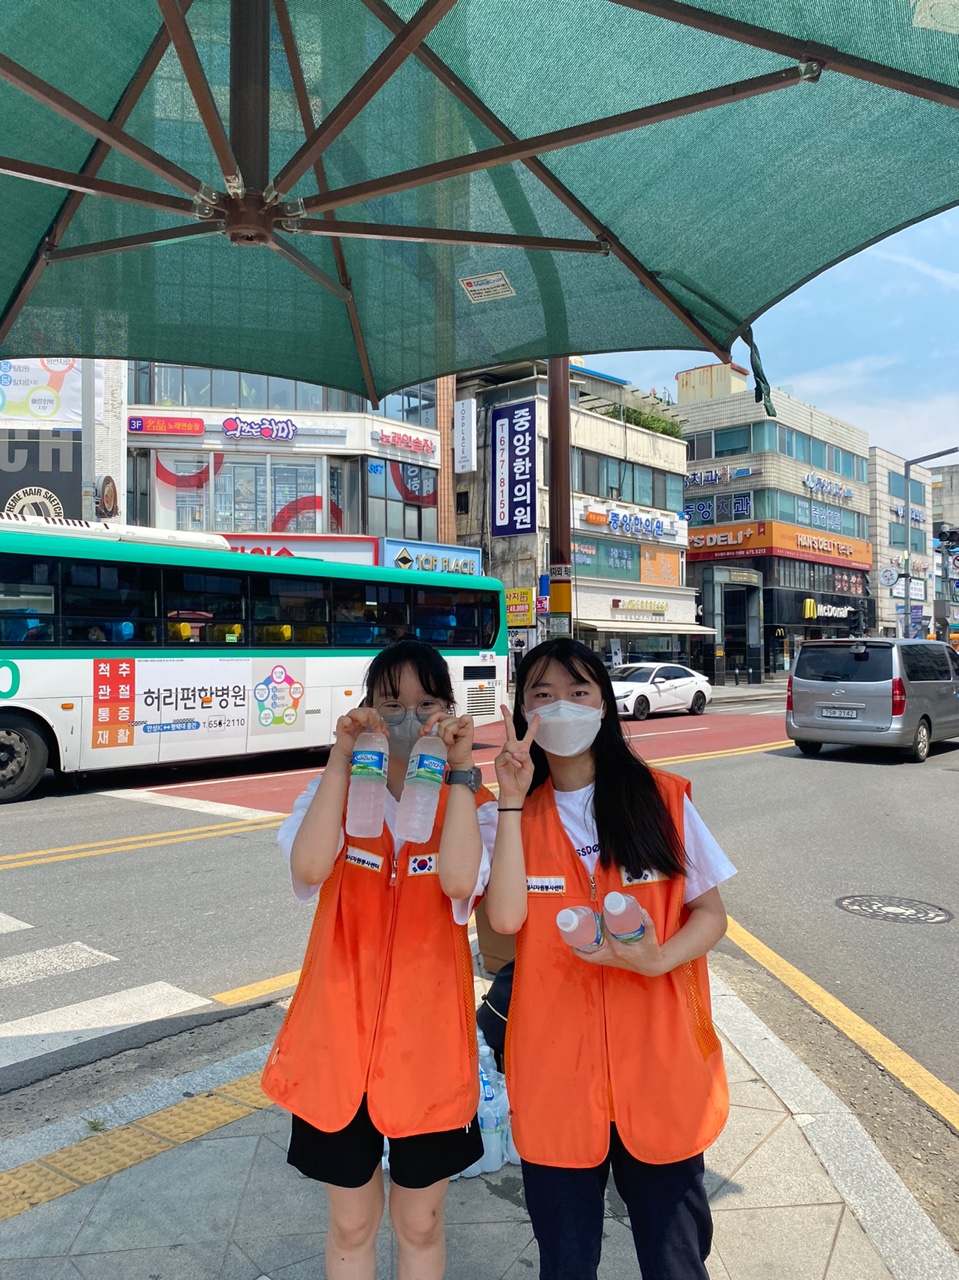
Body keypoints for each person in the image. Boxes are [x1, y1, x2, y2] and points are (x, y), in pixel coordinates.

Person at [486, 637, 734, 1280]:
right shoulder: (509, 816)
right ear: (522, 713)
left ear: (604, 706)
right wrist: (509, 800)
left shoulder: (661, 799)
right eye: (542, 694)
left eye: (579, 692)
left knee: (676, 1263)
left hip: (660, 1071)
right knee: (566, 1264)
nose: (562, 707)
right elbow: (499, 935)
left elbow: (711, 916)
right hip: (556, 1081)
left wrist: (658, 959)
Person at [261, 639, 498, 1280]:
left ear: (449, 710)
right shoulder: (332, 790)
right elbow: (310, 866)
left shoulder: (473, 805)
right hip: (336, 1042)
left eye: (427, 704)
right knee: (351, 1223)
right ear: (368, 708)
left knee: (420, 1223)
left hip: (428, 1048)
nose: (409, 718)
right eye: (391, 703)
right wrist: (342, 756)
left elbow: (459, 882)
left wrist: (458, 771)